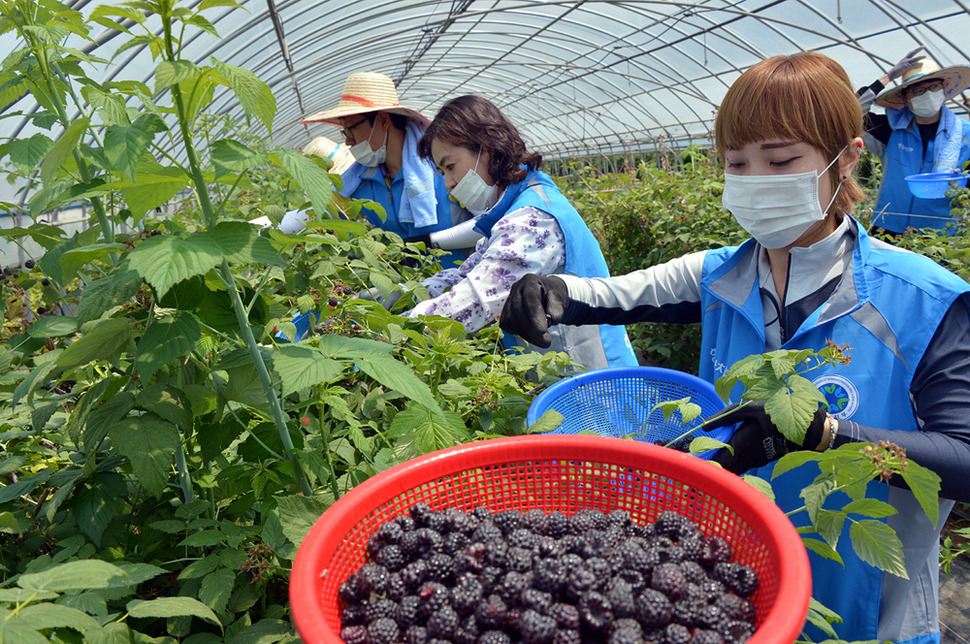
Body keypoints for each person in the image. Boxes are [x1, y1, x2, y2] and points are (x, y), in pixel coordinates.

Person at [500, 52, 970, 644]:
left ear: (846, 157)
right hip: (739, 586)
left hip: (870, 612)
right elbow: (610, 294)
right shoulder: (720, 276)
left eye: (780, 160)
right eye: (736, 164)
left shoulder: (922, 301)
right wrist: (546, 290)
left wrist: (825, 436)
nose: (755, 182)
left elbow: (965, 460)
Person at [405, 94, 638, 371]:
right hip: (556, 373)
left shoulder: (533, 220)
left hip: (591, 380)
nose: (449, 184)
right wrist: (394, 294)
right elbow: (464, 275)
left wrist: (392, 331)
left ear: (487, 149)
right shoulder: (516, 203)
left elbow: (473, 300)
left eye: (450, 167)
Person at [301, 72, 473, 266]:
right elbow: (314, 219)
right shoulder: (360, 183)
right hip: (409, 289)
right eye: (344, 132)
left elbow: (490, 222)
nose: (348, 141)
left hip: (461, 283)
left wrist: (431, 241)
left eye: (350, 130)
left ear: (383, 120)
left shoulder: (442, 167)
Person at [857, 49, 970, 235]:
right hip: (887, 228)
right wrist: (888, 76)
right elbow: (852, 113)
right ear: (905, 99)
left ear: (944, 90)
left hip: (938, 236)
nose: (928, 94)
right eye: (918, 90)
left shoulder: (965, 134)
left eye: (934, 87)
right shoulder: (892, 130)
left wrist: (963, 184)